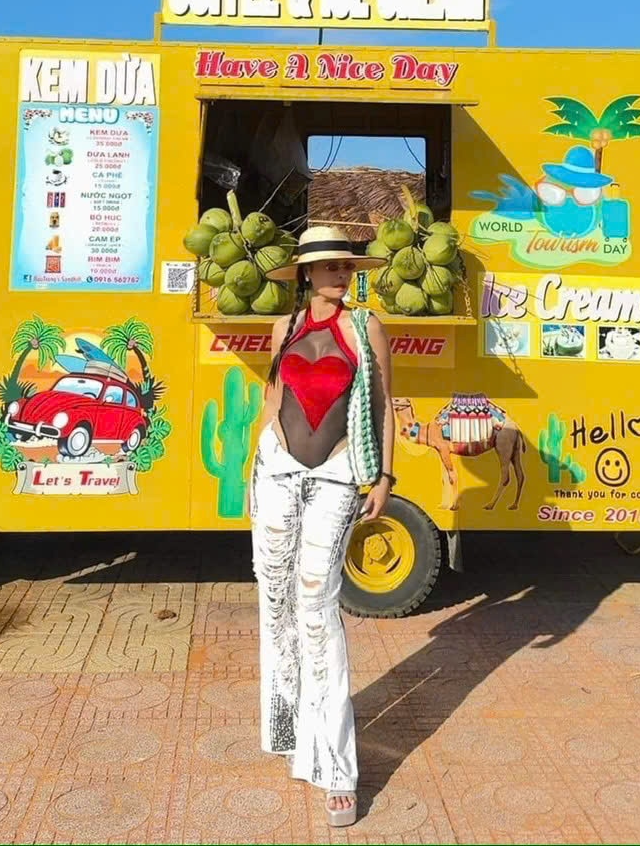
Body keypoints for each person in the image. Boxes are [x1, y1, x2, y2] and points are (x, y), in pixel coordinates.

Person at [247, 226, 397, 828]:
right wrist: (250, 469)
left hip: (337, 474)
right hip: (276, 471)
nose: (340, 274)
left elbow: (383, 404)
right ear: (307, 273)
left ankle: (337, 768)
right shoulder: (284, 327)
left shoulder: (366, 326)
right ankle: (290, 731)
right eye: (329, 266)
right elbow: (273, 398)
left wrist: (383, 476)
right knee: (274, 599)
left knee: (317, 606)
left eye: (346, 266)